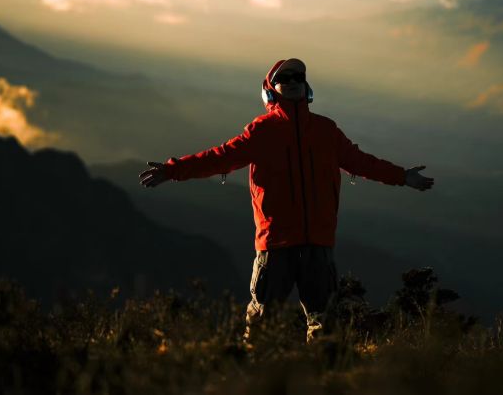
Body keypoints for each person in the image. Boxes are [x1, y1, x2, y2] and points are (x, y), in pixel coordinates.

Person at [139, 58, 434, 342]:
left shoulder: (326, 131)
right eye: (284, 79)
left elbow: (361, 162)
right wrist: (174, 170)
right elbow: (220, 157)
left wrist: (402, 176)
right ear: (271, 89)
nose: (292, 82)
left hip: (317, 243)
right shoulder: (261, 131)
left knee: (324, 325)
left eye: (298, 78)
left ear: (307, 87)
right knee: (264, 322)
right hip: (276, 244)